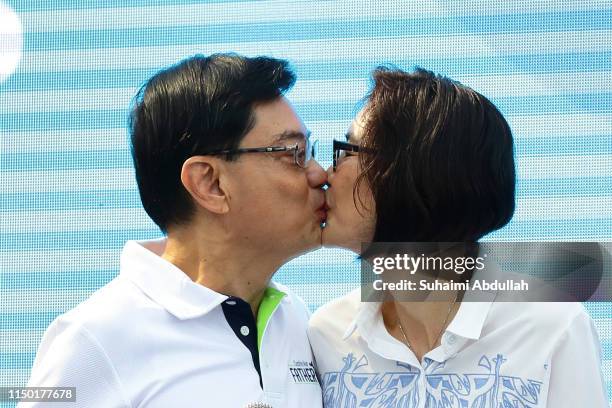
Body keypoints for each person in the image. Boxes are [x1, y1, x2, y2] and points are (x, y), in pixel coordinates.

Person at [22, 54, 326, 407]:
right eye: (294, 153)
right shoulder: (94, 339)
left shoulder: (294, 317)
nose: (320, 173)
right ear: (209, 183)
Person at [308, 67, 608, 407]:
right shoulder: (328, 335)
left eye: (345, 151)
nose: (323, 173)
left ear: (410, 175)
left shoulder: (552, 327)